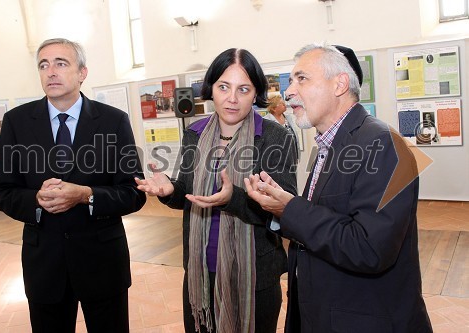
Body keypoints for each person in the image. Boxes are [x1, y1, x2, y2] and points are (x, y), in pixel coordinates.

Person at [245, 43, 433, 332]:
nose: (288, 91)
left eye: (302, 79)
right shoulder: (330, 144)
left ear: (340, 84)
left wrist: (289, 208)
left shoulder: (383, 143)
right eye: (290, 81)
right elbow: (327, 216)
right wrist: (281, 207)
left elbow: (370, 248)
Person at [135, 48, 297, 333]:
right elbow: (186, 190)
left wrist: (231, 198)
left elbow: (282, 210)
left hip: (254, 275)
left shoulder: (275, 137)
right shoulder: (195, 133)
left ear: (256, 93)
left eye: (243, 89)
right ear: (211, 88)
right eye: (224, 87)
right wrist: (169, 189)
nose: (232, 98)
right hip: (200, 271)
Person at [0, 38, 146, 333]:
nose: (51, 71)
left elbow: (132, 192)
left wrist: (87, 195)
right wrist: (36, 200)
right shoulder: (17, 122)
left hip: (101, 262)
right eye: (43, 65)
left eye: (61, 63)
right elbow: (4, 191)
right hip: (44, 264)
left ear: (82, 73)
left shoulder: (113, 121)